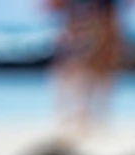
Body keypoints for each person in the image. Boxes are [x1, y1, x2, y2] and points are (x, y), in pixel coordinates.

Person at [45, 0, 125, 139]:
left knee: (92, 70)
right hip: (85, 24)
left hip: (93, 24)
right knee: (79, 70)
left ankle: (85, 117)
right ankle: (77, 117)